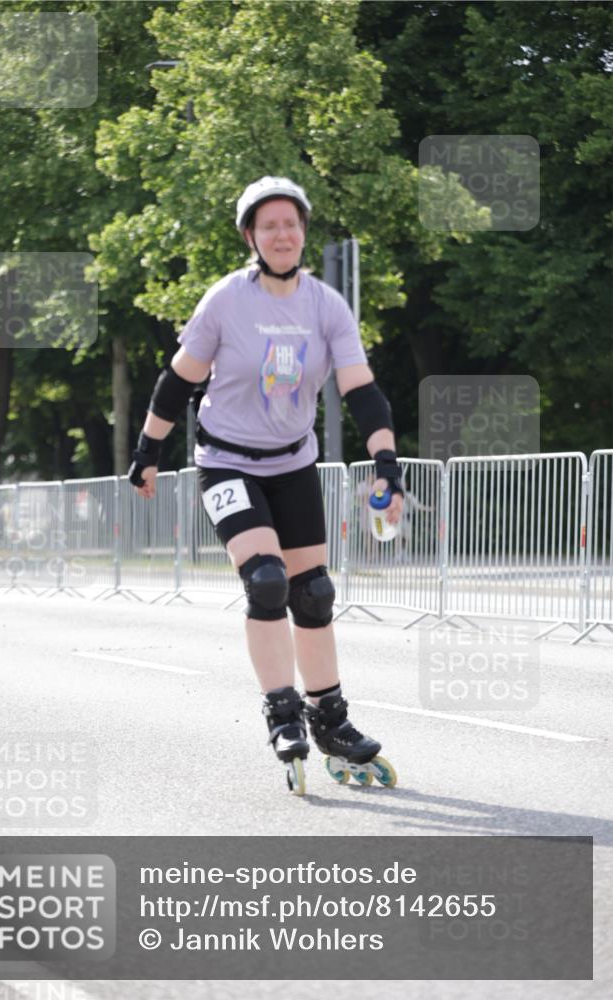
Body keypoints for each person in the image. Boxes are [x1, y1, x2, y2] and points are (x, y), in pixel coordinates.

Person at [129, 176, 404, 795]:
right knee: (267, 580)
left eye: (292, 224)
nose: (283, 234)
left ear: (304, 232)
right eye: (269, 225)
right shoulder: (226, 300)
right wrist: (148, 450)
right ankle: (282, 711)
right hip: (227, 460)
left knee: (313, 594)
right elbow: (178, 381)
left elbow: (361, 390)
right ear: (251, 236)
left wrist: (386, 462)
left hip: (292, 462)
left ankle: (330, 719)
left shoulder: (326, 306)